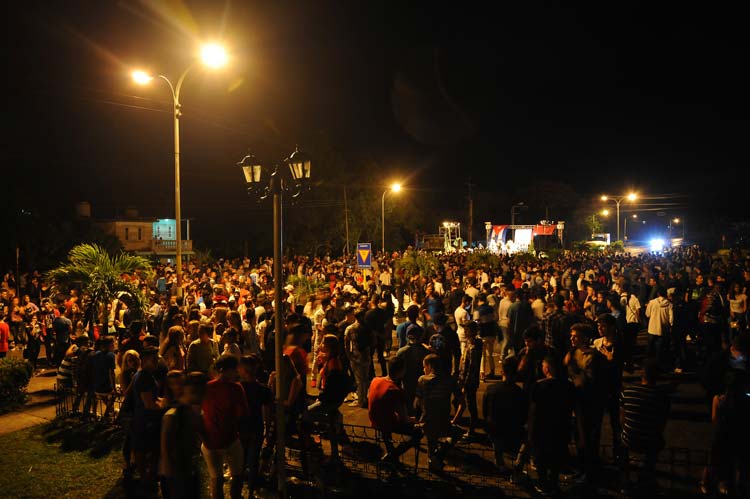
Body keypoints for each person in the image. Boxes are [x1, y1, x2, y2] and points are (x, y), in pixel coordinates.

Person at [201, 354, 250, 499]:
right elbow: (243, 414)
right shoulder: (236, 388)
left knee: (216, 479)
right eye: (235, 369)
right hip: (229, 439)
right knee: (237, 476)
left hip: (210, 441)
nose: (237, 372)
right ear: (225, 370)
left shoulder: (206, 387)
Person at [565, 322, 606, 484]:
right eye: (571, 336)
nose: (572, 338)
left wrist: (573, 369)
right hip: (576, 402)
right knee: (579, 438)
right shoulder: (573, 352)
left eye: (575, 336)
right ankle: (582, 469)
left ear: (584, 338)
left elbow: (586, 381)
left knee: (589, 439)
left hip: (589, 403)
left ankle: (590, 473)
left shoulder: (593, 356)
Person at [620, 359, 670, 493]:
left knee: (623, 440)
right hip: (649, 440)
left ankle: (625, 479)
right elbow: (661, 424)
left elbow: (622, 419)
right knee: (658, 442)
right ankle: (646, 477)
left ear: (642, 374)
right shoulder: (662, 397)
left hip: (629, 438)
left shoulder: (628, 391)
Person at [528, 355, 574, 495]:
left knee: (541, 458)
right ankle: (553, 482)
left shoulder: (539, 386)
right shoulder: (568, 386)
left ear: (547, 368)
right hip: (561, 427)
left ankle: (543, 484)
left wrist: (530, 430)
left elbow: (533, 410)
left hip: (542, 428)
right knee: (557, 457)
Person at [160, 372, 208, 499]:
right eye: (195, 392)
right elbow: (165, 447)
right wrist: (170, 472)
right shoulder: (173, 414)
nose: (201, 397)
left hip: (187, 469)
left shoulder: (191, 412)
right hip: (175, 474)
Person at [368, 355, 424, 466]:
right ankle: (393, 454)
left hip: (374, 418)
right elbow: (403, 418)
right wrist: (415, 421)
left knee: (385, 419)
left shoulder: (375, 380)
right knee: (418, 433)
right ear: (401, 371)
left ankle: (390, 452)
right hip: (386, 422)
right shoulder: (395, 390)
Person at [483, 356, 526, 475]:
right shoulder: (519, 392)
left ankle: (499, 461)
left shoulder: (491, 389)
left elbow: (485, 410)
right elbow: (523, 414)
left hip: (495, 428)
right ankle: (518, 465)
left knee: (497, 442)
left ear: (502, 372)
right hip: (513, 428)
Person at [415, 353, 456, 473]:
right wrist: (455, 419)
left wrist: (418, 418)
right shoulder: (449, 379)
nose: (423, 369)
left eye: (424, 366)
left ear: (430, 366)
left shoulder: (423, 380)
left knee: (430, 444)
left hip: (428, 419)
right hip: (444, 419)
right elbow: (461, 402)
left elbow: (417, 402)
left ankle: (433, 462)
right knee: (453, 436)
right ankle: (436, 459)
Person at [238, 354, 272, 497]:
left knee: (240, 463)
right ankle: (251, 492)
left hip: (241, 428)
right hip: (256, 427)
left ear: (244, 370)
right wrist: (267, 428)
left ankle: (238, 492)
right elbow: (267, 411)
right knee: (253, 462)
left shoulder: (238, 388)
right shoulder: (263, 389)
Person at [131, 347, 164, 488]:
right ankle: (147, 477)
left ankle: (146, 476)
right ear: (145, 360)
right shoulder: (144, 377)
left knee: (143, 449)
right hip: (146, 421)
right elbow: (149, 404)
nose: (157, 361)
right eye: (154, 359)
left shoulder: (143, 375)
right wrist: (166, 405)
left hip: (142, 419)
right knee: (147, 449)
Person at [452, 321, 482, 439]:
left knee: (471, 405)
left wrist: (464, 384)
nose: (464, 331)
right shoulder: (472, 343)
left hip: (469, 381)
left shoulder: (474, 347)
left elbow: (471, 369)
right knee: (461, 402)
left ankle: (471, 430)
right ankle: (457, 423)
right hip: (466, 379)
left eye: (467, 329)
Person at [395, 323, 428, 415]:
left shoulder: (401, 352)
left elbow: (397, 369)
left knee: (409, 404)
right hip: (422, 382)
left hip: (407, 382)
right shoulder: (425, 351)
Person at [345, 309, 373, 409]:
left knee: (359, 380)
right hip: (366, 356)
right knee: (365, 379)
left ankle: (361, 400)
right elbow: (373, 342)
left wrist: (349, 355)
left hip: (356, 356)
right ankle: (364, 398)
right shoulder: (368, 328)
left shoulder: (350, 328)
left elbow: (347, 343)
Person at [645, 287, 673, 366]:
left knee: (649, 348)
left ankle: (648, 364)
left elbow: (647, 314)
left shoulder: (652, 302)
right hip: (663, 329)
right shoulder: (669, 304)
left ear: (658, 294)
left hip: (652, 329)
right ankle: (658, 364)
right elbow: (671, 318)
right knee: (659, 349)